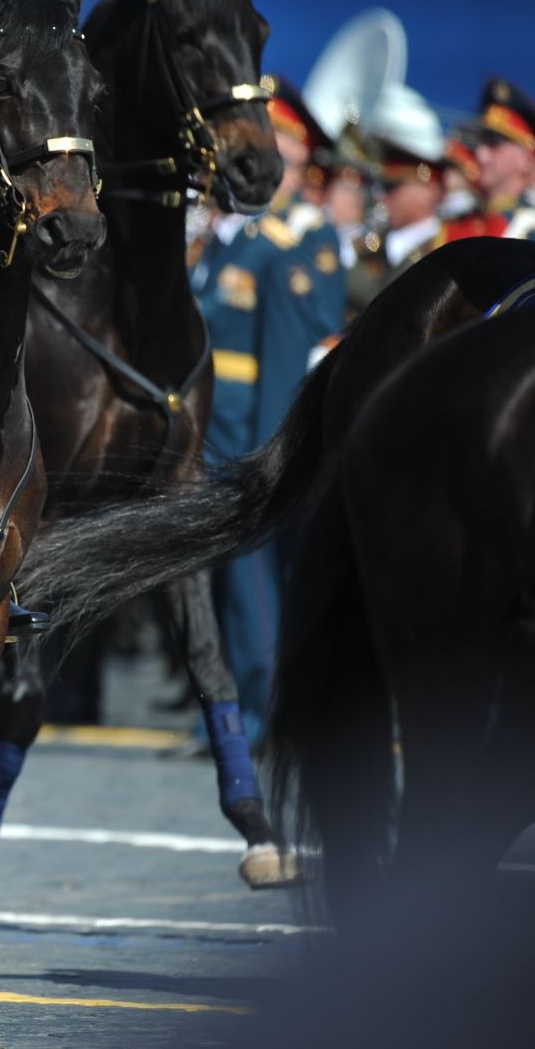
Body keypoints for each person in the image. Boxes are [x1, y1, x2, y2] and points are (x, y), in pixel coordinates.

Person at [189, 78, 345, 743]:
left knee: (254, 586)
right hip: (215, 433)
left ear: (303, 158)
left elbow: (286, 358)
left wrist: (270, 453)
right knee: (228, 585)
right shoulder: (235, 239)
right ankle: (232, 708)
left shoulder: (295, 239)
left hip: (253, 435)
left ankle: (264, 711)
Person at [345, 87, 447, 320]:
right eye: (378, 186)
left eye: (392, 187)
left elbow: (385, 302)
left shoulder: (442, 244)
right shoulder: (373, 247)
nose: (381, 196)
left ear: (429, 186)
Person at [473, 76, 535, 239]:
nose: (481, 154)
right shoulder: (459, 224)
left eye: (494, 143)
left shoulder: (528, 228)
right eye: (480, 141)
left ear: (527, 158)